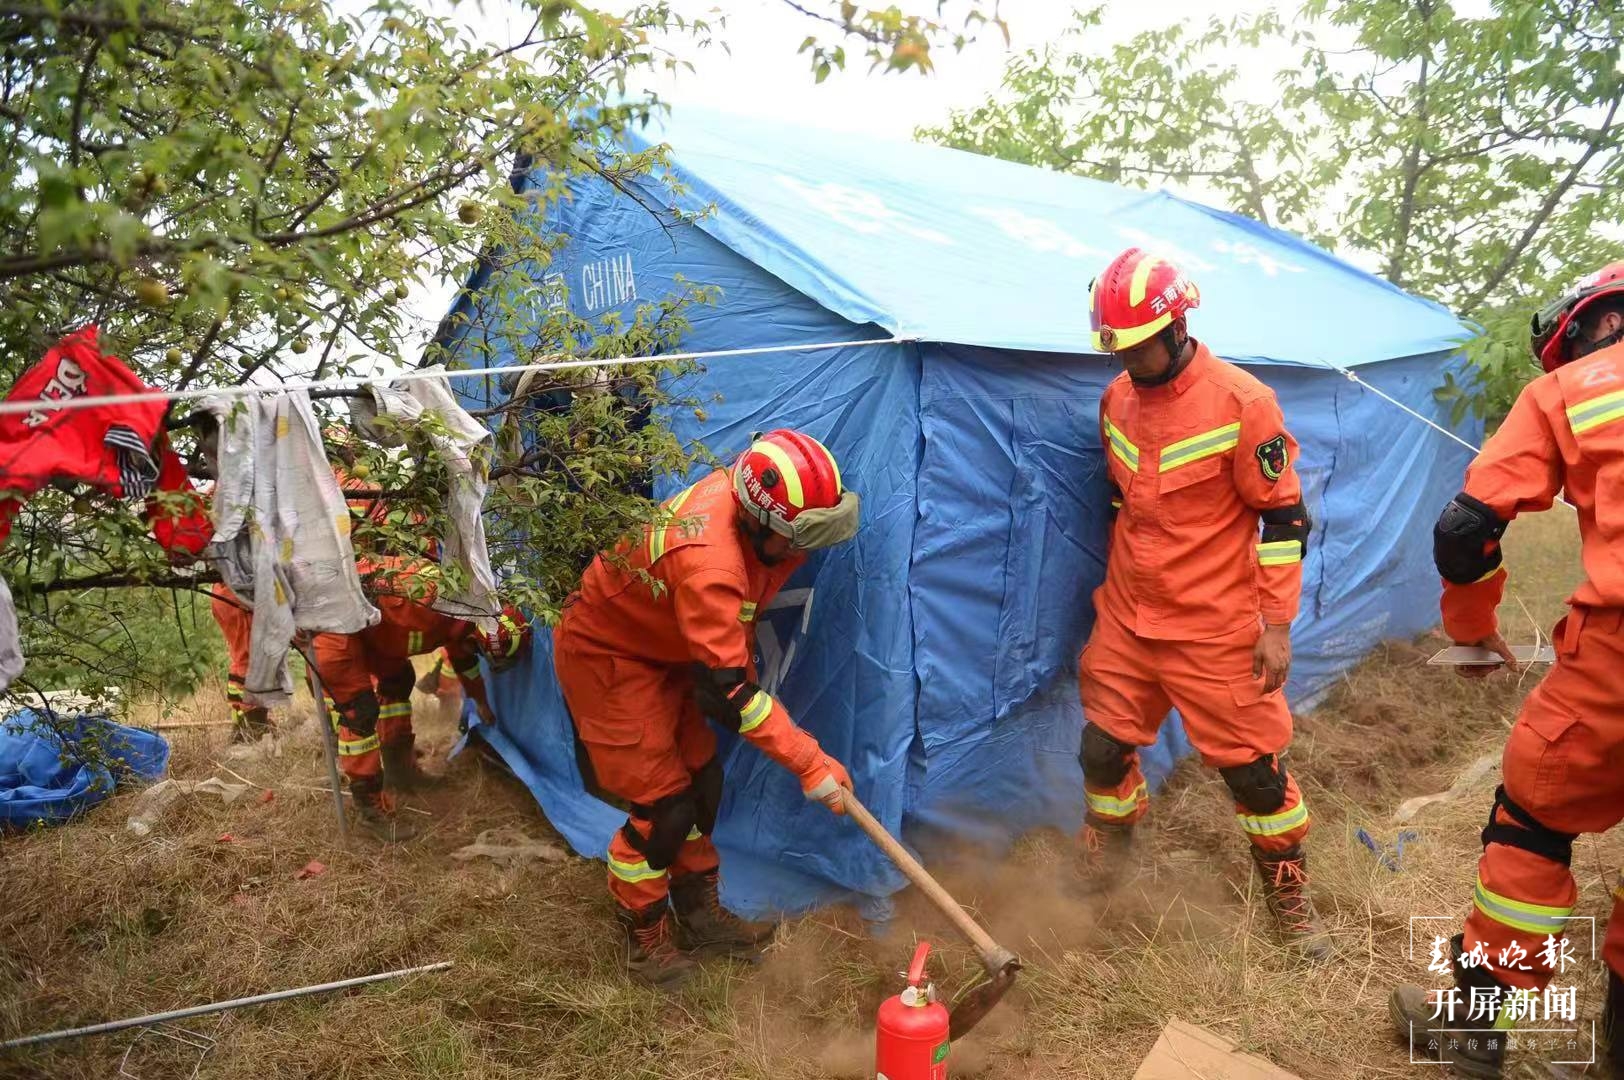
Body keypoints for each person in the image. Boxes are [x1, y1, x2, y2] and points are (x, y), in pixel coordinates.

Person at [1390, 261, 1624, 1077]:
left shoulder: (1570, 390)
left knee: (1531, 829)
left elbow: (1464, 530)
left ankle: (1474, 1032)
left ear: (1582, 328)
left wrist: (1474, 628)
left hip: (1615, 664)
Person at [1073, 247, 1323, 957]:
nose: (1126, 363)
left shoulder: (1244, 403)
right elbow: (1125, 500)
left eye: (1137, 348)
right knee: (1100, 750)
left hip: (1214, 629)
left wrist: (1275, 626)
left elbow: (1285, 521)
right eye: (1116, 349)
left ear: (1176, 326)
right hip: (1127, 618)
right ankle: (1106, 879)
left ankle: (1291, 905)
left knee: (1255, 775)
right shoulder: (1117, 397)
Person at [553, 428, 861, 987]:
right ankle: (643, 934)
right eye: (800, 539)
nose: (805, 552)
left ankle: (699, 913)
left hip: (666, 647)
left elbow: (726, 666)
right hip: (609, 656)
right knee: (663, 808)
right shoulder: (711, 564)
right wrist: (810, 764)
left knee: (703, 783)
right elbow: (734, 696)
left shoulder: (755, 517)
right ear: (758, 521)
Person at [311, 559, 531, 842]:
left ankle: (399, 772)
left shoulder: (463, 614)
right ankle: (371, 810)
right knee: (360, 714)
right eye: (477, 648)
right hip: (333, 624)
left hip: (371, 631)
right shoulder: (429, 600)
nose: (471, 651)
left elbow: (465, 662)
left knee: (398, 679)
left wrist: (482, 702)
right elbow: (352, 587)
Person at [208, 582, 275, 743]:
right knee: (251, 660)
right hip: (236, 596)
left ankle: (241, 725)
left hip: (223, 593)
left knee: (240, 656)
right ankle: (255, 726)